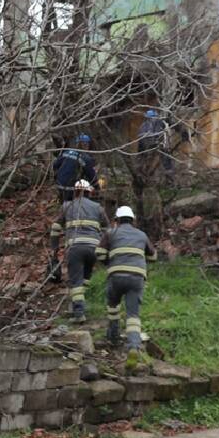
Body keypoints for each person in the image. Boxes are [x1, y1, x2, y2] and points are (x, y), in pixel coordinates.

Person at [97, 205, 157, 349]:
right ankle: (134, 346)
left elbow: (99, 253)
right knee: (133, 314)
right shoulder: (142, 235)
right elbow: (153, 256)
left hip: (116, 276)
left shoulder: (111, 233)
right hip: (136, 277)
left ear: (116, 220)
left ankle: (113, 337)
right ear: (133, 220)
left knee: (113, 306)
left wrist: (109, 263)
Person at [49, 179, 109, 321]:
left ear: (75, 192)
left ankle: (79, 313)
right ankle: (78, 304)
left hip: (75, 248)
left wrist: (54, 250)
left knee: (76, 281)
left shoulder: (67, 206)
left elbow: (55, 228)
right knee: (85, 278)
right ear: (89, 192)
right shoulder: (98, 207)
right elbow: (108, 230)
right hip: (94, 248)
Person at [52, 134, 97, 202]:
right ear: (86, 145)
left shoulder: (67, 152)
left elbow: (55, 165)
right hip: (72, 189)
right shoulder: (86, 158)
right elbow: (92, 177)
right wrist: (97, 188)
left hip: (59, 186)